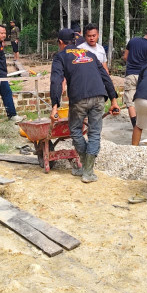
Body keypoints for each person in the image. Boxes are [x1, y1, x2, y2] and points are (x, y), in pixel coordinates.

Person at [50, 28, 119, 182]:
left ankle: (86, 170)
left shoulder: (60, 57)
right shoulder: (90, 54)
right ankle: (87, 171)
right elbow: (105, 77)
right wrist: (113, 100)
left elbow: (56, 80)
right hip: (99, 96)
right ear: (74, 41)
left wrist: (55, 105)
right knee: (94, 134)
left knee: (75, 130)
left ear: (60, 42)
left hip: (79, 98)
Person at [122, 26, 147, 129]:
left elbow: (125, 57)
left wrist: (133, 62)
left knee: (130, 101)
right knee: (142, 99)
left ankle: (135, 125)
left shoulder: (133, 41)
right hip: (143, 76)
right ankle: (142, 124)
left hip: (130, 74)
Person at [0, 24, 24, 123]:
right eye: (1, 33)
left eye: (5, 33)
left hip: (2, 74)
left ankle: (12, 114)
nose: (4, 35)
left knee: (7, 93)